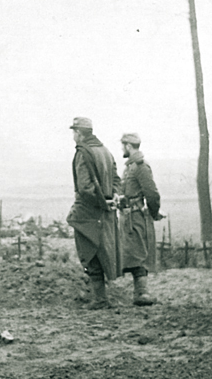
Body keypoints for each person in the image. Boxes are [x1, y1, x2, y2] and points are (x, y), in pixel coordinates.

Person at [66, 117, 122, 309]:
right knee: (103, 251)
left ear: (79, 133)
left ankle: (100, 299)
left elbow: (84, 187)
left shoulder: (83, 152)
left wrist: (100, 202)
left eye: (74, 132)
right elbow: (116, 179)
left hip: (88, 212)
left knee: (89, 252)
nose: (73, 135)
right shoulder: (106, 151)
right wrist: (113, 197)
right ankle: (101, 298)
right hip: (105, 213)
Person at [119, 133, 163, 306]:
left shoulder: (140, 167)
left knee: (138, 254)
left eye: (123, 146)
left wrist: (154, 212)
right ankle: (140, 293)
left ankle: (142, 294)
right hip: (128, 217)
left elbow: (152, 194)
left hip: (136, 218)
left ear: (129, 146)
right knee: (131, 253)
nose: (122, 149)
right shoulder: (130, 167)